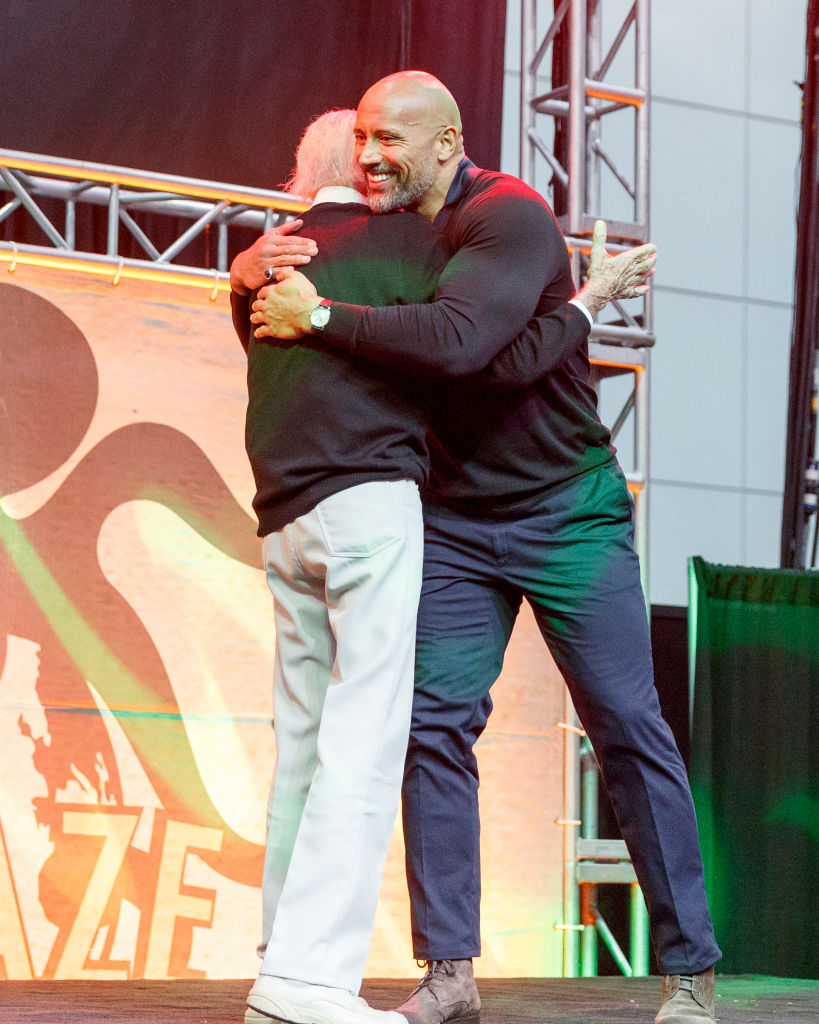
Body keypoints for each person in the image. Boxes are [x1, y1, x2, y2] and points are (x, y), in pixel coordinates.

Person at [239, 72, 719, 1024]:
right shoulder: (388, 233)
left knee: (625, 722)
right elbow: (295, 295)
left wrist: (326, 315)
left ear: (449, 143)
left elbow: (466, 349)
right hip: (453, 520)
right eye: (362, 138)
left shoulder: (508, 216)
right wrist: (246, 269)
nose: (370, 158)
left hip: (564, 511)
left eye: (392, 143)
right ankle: (449, 971)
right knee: (431, 729)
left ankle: (688, 969)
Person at [235, 108, 447, 1024]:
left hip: (285, 518)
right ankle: (309, 980)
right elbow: (467, 341)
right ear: (361, 169)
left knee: (303, 749)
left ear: (300, 176)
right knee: (362, 742)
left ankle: (282, 958)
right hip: (366, 505)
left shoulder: (271, 258)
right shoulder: (403, 243)